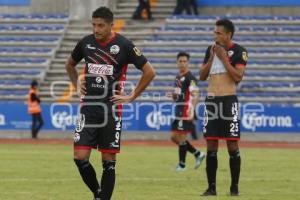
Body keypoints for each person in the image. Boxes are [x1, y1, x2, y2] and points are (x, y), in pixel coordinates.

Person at [65, 7, 155, 200]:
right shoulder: (86, 42)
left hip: (111, 110)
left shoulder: (124, 45)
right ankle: (98, 193)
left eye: (101, 25)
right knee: (79, 158)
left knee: (108, 161)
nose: (96, 29)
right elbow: (69, 64)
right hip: (88, 109)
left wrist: (131, 96)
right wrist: (76, 84)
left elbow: (149, 72)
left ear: (111, 25)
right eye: (93, 25)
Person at [199, 19, 248, 196]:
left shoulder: (239, 51)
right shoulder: (210, 49)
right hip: (211, 101)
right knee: (211, 144)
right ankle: (211, 188)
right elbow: (202, 76)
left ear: (228, 34)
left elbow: (238, 77)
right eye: (215, 32)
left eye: (219, 33)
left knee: (232, 144)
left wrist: (224, 59)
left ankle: (234, 188)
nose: (215, 35)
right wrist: (213, 57)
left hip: (228, 101)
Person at [170, 52, 205, 172]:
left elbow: (196, 94)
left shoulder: (191, 78)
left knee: (181, 137)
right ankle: (197, 154)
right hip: (178, 110)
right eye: (180, 61)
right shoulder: (177, 77)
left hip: (186, 111)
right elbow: (177, 96)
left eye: (185, 61)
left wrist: (192, 110)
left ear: (188, 63)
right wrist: (174, 95)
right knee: (174, 137)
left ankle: (182, 165)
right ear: (177, 62)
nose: (182, 63)